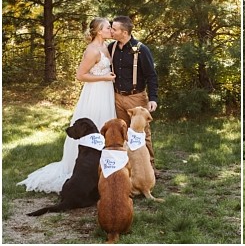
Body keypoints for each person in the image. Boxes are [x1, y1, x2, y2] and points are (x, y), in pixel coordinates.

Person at [19, 17, 116, 193]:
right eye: (108, 27)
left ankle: (102, 168)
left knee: (105, 125)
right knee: (94, 122)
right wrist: (104, 77)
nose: (111, 29)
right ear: (99, 31)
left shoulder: (106, 47)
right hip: (95, 93)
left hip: (106, 91)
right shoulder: (92, 50)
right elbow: (80, 75)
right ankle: (80, 167)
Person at [109, 16, 158, 169]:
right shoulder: (111, 48)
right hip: (117, 97)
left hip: (136, 98)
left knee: (141, 134)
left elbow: (151, 75)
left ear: (124, 32)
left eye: (114, 29)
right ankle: (127, 167)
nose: (111, 31)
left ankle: (149, 167)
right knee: (122, 133)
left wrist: (153, 98)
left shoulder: (141, 49)